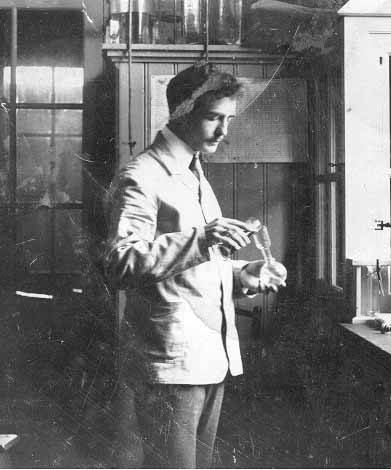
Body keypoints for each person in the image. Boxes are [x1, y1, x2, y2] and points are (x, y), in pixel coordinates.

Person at [102, 62, 287, 468]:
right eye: (214, 118)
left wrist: (245, 275)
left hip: (207, 359)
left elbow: (191, 269)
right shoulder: (143, 175)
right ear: (182, 114)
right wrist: (202, 238)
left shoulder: (193, 171)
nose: (223, 131)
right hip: (171, 362)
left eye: (228, 120)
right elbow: (120, 262)